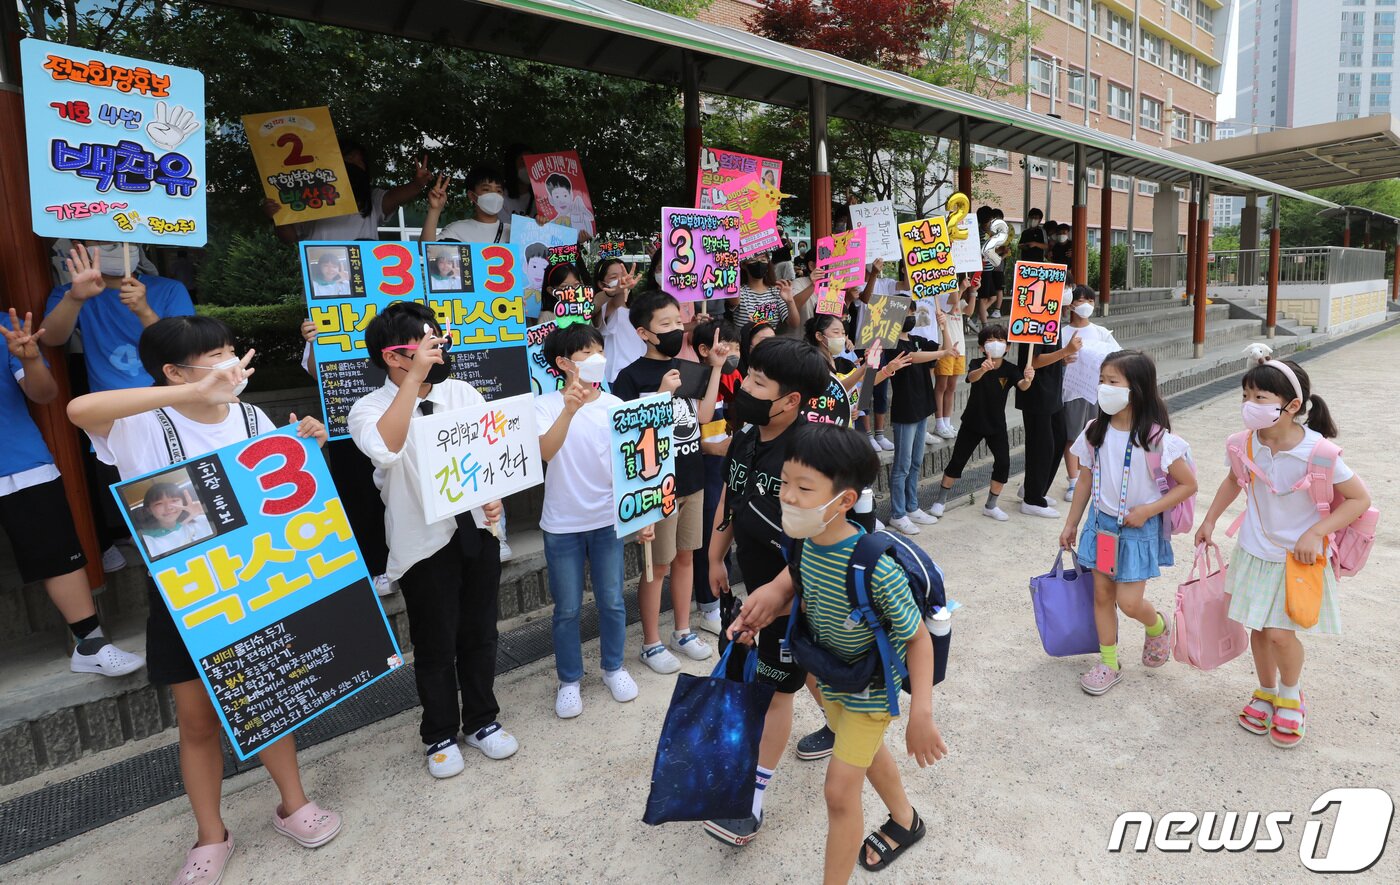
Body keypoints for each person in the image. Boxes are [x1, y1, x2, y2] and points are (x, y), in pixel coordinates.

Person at [66, 315, 339, 884]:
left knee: (267, 696)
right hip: (184, 590)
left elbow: (276, 499)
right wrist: (193, 391)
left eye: (230, 351)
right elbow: (78, 411)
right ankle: (211, 835)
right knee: (196, 721)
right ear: (173, 372)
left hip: (254, 580)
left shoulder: (249, 414)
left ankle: (294, 804)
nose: (231, 363)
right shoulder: (139, 421)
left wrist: (303, 443)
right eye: (215, 356)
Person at [347, 302, 518, 777]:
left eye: (439, 340)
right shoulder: (368, 408)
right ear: (392, 356)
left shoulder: (463, 393)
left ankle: (483, 719)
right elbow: (384, 449)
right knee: (435, 643)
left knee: (481, 633)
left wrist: (494, 498)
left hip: (478, 532)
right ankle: (439, 733)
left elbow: (489, 452)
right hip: (423, 543)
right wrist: (411, 382)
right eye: (425, 344)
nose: (438, 350)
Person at [777, 423, 947, 881]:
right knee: (867, 752)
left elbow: (917, 639)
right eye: (785, 483)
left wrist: (921, 714)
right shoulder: (805, 543)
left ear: (845, 500)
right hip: (831, 676)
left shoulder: (875, 568)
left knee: (838, 792)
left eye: (804, 487)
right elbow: (810, 599)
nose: (788, 497)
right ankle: (906, 821)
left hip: (870, 690)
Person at [1194, 350, 1369, 748]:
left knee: (1279, 635)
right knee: (1259, 628)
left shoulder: (1319, 452)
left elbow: (1359, 499)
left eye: (1260, 398)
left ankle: (1291, 694)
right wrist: (1209, 520)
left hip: (1299, 560)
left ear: (1291, 406)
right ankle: (1266, 691)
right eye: (1245, 396)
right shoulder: (1244, 444)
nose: (1249, 406)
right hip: (1255, 551)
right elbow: (1235, 481)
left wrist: (1316, 533)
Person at [703, 336, 830, 845]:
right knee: (801, 667)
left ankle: (749, 801)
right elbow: (731, 499)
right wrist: (715, 555)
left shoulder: (810, 454)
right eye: (748, 376)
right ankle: (842, 720)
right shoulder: (747, 436)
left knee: (775, 688)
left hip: (794, 590)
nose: (746, 387)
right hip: (755, 585)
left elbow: (823, 538)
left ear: (791, 400)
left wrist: (780, 590)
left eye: (758, 382)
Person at [0, 309, 144, 677]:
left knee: (59, 554)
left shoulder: (6, 325)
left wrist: (29, 358)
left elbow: (45, 393)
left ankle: (90, 645)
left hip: (18, 460)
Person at [42, 241, 196, 571]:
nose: (107, 246)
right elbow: (51, 338)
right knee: (135, 496)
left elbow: (184, 349)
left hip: (172, 407)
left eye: (114, 239)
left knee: (179, 490)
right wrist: (75, 297)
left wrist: (143, 310)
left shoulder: (168, 290)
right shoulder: (72, 293)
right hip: (112, 417)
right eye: (96, 241)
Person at [1058, 350, 1197, 696]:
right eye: (1102, 380)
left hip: (1137, 531)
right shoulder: (1094, 431)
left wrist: (1149, 510)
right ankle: (1109, 662)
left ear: (1136, 388)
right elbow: (1085, 482)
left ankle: (1159, 625)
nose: (1104, 387)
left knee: (1129, 603)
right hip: (1102, 527)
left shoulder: (1157, 439)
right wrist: (1071, 523)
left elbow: (1188, 485)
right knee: (1102, 595)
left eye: (1113, 382)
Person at [613, 291, 730, 672]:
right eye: (666, 325)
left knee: (685, 558)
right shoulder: (628, 378)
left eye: (678, 323)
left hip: (692, 477)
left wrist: (714, 368)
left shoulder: (688, 366)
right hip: (655, 486)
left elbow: (702, 416)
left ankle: (682, 630)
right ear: (644, 332)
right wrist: (662, 395)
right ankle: (651, 642)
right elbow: (627, 436)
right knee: (656, 566)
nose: (676, 330)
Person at [536, 323, 649, 718]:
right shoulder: (545, 405)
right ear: (564, 363)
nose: (597, 359)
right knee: (566, 608)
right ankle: (569, 680)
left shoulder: (616, 405)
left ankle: (613, 668)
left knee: (613, 601)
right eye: (586, 354)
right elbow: (545, 453)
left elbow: (633, 468)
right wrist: (569, 410)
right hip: (562, 524)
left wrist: (643, 512)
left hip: (606, 521)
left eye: (599, 350)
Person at [930, 324, 1033, 522]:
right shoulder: (978, 362)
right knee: (957, 461)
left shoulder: (1011, 369)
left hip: (996, 425)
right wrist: (983, 370)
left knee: (1003, 463)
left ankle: (991, 505)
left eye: (1001, 341)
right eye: (990, 341)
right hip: (972, 422)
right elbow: (971, 378)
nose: (996, 344)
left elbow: (1023, 386)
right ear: (981, 347)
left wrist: (1028, 379)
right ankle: (940, 501)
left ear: (1008, 347)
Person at [266, 140, 431, 243]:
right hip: (321, 285)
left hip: (366, 281)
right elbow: (289, 238)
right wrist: (278, 216)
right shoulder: (308, 198)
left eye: (360, 162)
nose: (356, 165)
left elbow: (395, 197)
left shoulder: (372, 198)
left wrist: (417, 184)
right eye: (349, 159)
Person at [690, 316, 743, 636]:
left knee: (725, 533)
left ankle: (722, 596)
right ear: (704, 349)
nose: (732, 353)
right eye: (726, 346)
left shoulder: (737, 378)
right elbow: (691, 430)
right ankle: (708, 605)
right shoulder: (695, 381)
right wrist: (712, 450)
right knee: (707, 538)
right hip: (705, 471)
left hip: (728, 471)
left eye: (736, 347)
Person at [884, 315, 954, 536]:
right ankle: (897, 514)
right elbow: (913, 358)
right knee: (902, 465)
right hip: (906, 410)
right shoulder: (891, 344)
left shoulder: (917, 338)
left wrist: (944, 327)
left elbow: (948, 349)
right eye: (905, 312)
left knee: (915, 462)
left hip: (922, 406)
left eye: (912, 311)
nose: (910, 316)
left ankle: (912, 507)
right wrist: (942, 353)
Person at [1058, 286, 1120, 503]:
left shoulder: (1101, 332)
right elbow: (1054, 361)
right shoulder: (1062, 333)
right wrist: (1063, 359)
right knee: (1072, 437)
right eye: (1082, 300)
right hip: (1072, 392)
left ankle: (1093, 476)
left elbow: (1118, 358)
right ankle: (1073, 479)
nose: (1086, 305)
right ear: (1071, 304)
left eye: (1090, 301)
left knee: (1097, 436)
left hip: (1097, 393)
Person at [1016, 327, 1084, 518]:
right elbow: (1032, 362)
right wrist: (1065, 351)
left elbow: (1047, 356)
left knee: (1059, 438)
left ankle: (1034, 489)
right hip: (1037, 394)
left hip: (1052, 392)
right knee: (1042, 445)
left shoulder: (1052, 318)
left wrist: (1062, 358)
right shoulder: (1035, 320)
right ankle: (1032, 499)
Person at [421, 166, 511, 244]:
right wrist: (434, 210)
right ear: (472, 195)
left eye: (499, 191)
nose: (494, 195)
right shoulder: (457, 230)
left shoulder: (513, 232)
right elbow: (427, 249)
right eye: (486, 189)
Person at [593, 256, 646, 383]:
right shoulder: (606, 308)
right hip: (617, 378)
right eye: (613, 277)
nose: (621, 280)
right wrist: (616, 291)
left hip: (641, 375)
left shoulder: (638, 309)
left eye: (623, 275)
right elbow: (613, 303)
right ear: (601, 284)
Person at [137, 483, 214, 557]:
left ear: (183, 502)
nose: (169, 508)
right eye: (159, 503)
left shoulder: (202, 520)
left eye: (174, 500)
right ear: (149, 510)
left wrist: (208, 510)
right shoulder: (146, 540)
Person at [735, 259, 800, 330]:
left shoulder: (777, 292)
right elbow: (733, 302)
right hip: (744, 340)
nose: (759, 263)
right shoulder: (739, 291)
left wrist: (790, 301)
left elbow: (794, 324)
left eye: (763, 259)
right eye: (753, 260)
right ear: (744, 265)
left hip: (768, 340)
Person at [977, 207, 1010, 325]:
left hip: (988, 269)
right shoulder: (980, 234)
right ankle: (983, 324)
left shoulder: (986, 233)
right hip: (983, 270)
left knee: (992, 297)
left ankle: (976, 317)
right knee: (983, 297)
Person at [502, 143, 536, 217]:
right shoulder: (501, 196)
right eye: (524, 162)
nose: (528, 167)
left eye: (531, 162)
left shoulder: (541, 199)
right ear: (512, 165)